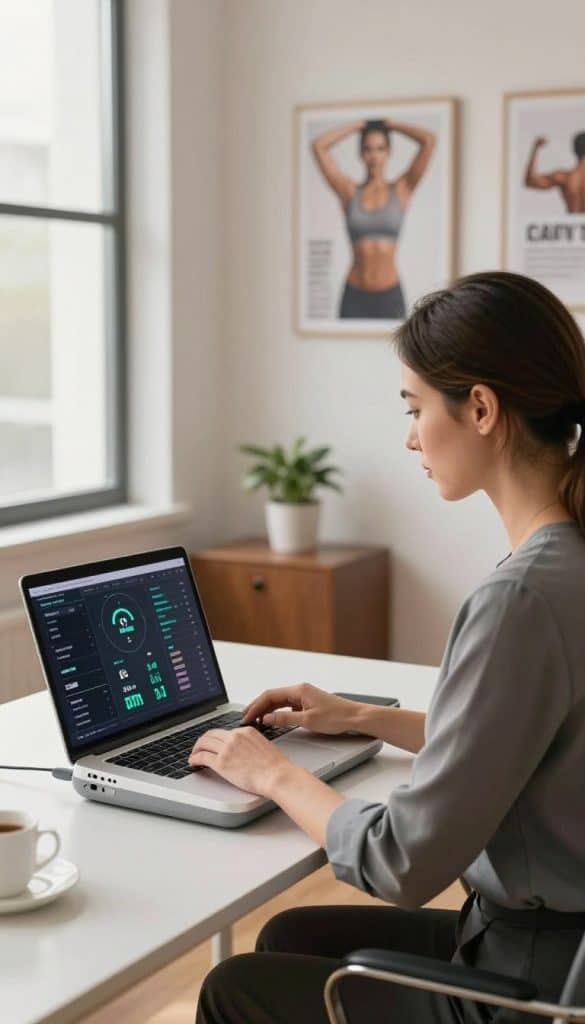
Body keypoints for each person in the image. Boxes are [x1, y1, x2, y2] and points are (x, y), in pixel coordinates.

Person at [192, 270, 585, 1024]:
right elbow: (530, 746)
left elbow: (400, 861)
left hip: (534, 985)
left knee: (233, 989)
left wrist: (273, 775)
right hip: (550, 946)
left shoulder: (521, 599)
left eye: (414, 408)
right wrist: (365, 719)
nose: (408, 436)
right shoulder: (565, 564)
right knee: (288, 934)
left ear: (479, 408)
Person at [311, 117, 436, 320]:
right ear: (361, 154)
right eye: (368, 149)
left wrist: (392, 124)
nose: (374, 156)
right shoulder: (349, 192)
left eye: (380, 148)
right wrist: (357, 124)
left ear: (388, 153)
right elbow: (318, 146)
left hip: (390, 294)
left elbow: (429, 141)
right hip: (355, 294)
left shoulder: (402, 189)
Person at [524, 132, 585, 213]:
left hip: (572, 224)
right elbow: (530, 182)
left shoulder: (565, 177)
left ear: (574, 151)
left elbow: (530, 181)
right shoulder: (564, 176)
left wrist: (536, 148)